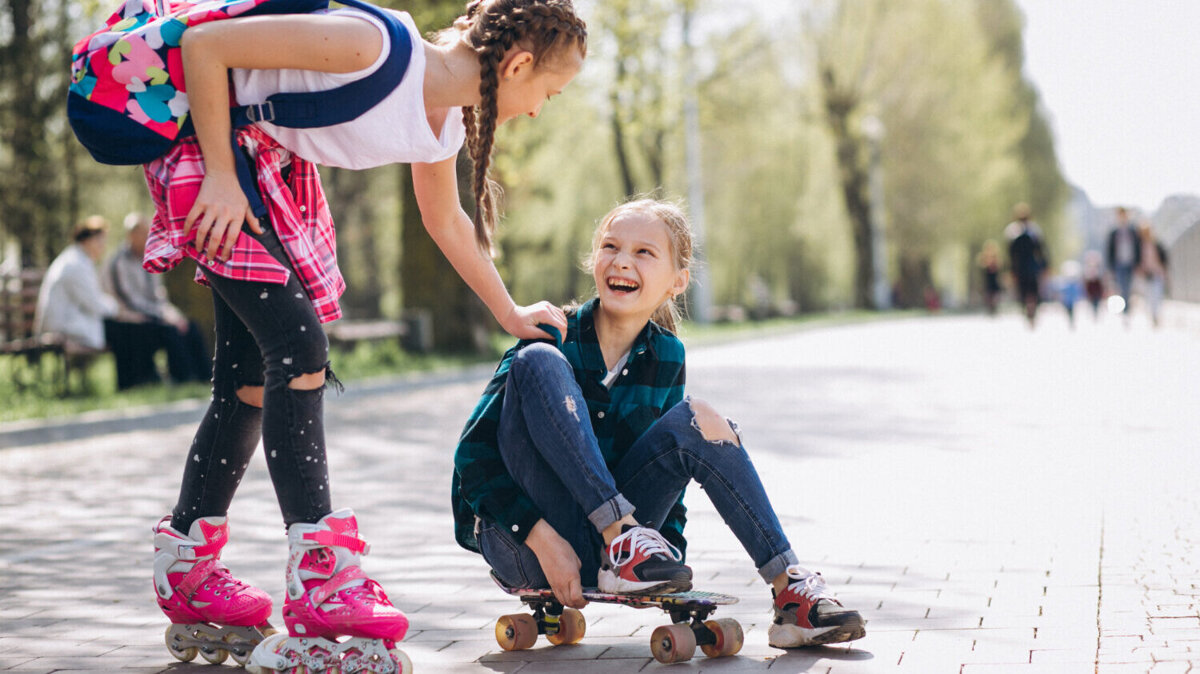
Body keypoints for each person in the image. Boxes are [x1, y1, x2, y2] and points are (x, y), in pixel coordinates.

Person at [141, 1, 588, 669]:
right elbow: (206, 48)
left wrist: (508, 311)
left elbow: (446, 221)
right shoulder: (375, 45)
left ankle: (188, 569)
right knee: (299, 351)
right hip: (209, 160)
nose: (538, 110)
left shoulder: (443, 120)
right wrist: (224, 177)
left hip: (266, 176)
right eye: (549, 92)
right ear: (519, 65)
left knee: (248, 383)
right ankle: (322, 579)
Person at [451, 199, 866, 649]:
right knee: (539, 360)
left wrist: (668, 561)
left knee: (699, 418)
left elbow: (669, 474)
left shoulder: (667, 354)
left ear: (677, 281)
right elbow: (472, 459)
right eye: (611, 247)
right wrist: (540, 537)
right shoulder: (551, 333)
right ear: (595, 260)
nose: (621, 261)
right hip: (528, 544)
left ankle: (791, 592)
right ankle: (621, 537)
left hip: (612, 558)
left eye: (643, 252)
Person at [102, 213, 210, 389]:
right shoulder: (118, 261)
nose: (148, 236)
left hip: (151, 312)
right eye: (143, 232)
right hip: (129, 318)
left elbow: (158, 295)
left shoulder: (151, 256)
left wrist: (172, 314)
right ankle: (183, 378)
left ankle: (205, 377)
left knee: (190, 326)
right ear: (131, 235)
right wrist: (162, 316)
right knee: (169, 330)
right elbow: (129, 300)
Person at [35, 216, 121, 354]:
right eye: (100, 241)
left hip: (69, 323)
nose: (103, 247)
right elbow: (94, 304)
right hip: (62, 328)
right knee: (124, 330)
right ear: (87, 240)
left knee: (125, 329)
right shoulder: (75, 264)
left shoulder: (76, 259)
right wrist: (116, 307)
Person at [1005, 203, 1048, 327]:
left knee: (1026, 290)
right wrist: (1044, 266)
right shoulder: (1032, 231)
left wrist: (1011, 269)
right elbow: (1041, 251)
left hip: (1022, 267)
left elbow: (1011, 254)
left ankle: (1029, 309)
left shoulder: (1014, 232)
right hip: (1030, 266)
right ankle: (1031, 308)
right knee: (1031, 290)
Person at [1106, 207, 1140, 321]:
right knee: (1122, 286)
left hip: (1130, 263)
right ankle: (1125, 309)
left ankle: (1127, 308)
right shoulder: (1114, 232)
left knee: (1129, 287)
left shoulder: (1133, 231)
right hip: (1119, 263)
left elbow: (1138, 248)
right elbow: (1109, 250)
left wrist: (1138, 263)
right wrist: (1110, 267)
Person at [1137, 221, 1169, 327]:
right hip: (1146, 275)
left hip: (1157, 273)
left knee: (1157, 294)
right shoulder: (1139, 246)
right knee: (1149, 296)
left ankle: (1156, 314)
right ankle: (1152, 314)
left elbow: (1164, 258)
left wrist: (1164, 270)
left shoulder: (1157, 244)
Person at [977, 239, 1003, 316]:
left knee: (995, 295)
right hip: (987, 281)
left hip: (994, 281)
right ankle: (990, 309)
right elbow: (981, 270)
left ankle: (994, 308)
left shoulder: (997, 259)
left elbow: (999, 269)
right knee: (988, 294)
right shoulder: (983, 259)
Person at [1082, 250, 1105, 320]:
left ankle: (1096, 315)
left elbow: (1101, 284)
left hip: (1097, 291)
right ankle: (1094, 315)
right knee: (1092, 304)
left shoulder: (1099, 272)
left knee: (1096, 304)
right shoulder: (1087, 272)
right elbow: (1086, 284)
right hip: (1091, 292)